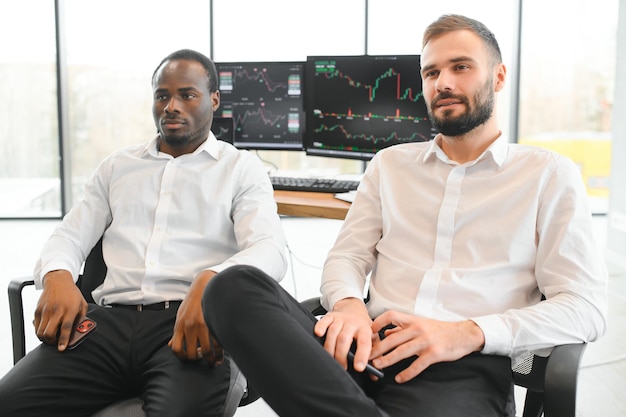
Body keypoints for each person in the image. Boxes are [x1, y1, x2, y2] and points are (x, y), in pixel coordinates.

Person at [200, 14, 608, 417]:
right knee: (231, 286)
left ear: (499, 78)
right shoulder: (389, 166)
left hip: (459, 366)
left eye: (460, 67)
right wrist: (347, 305)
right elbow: (347, 258)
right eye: (431, 73)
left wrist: (466, 333)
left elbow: (583, 308)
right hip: (360, 346)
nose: (442, 83)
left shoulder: (549, 175)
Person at [0, 49, 287, 417]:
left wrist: (213, 281)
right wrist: (57, 276)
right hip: (105, 325)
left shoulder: (241, 169)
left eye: (187, 94)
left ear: (214, 99)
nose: (171, 106)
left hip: (189, 325)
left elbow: (269, 248)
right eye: (162, 95)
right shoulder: (118, 166)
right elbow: (69, 236)